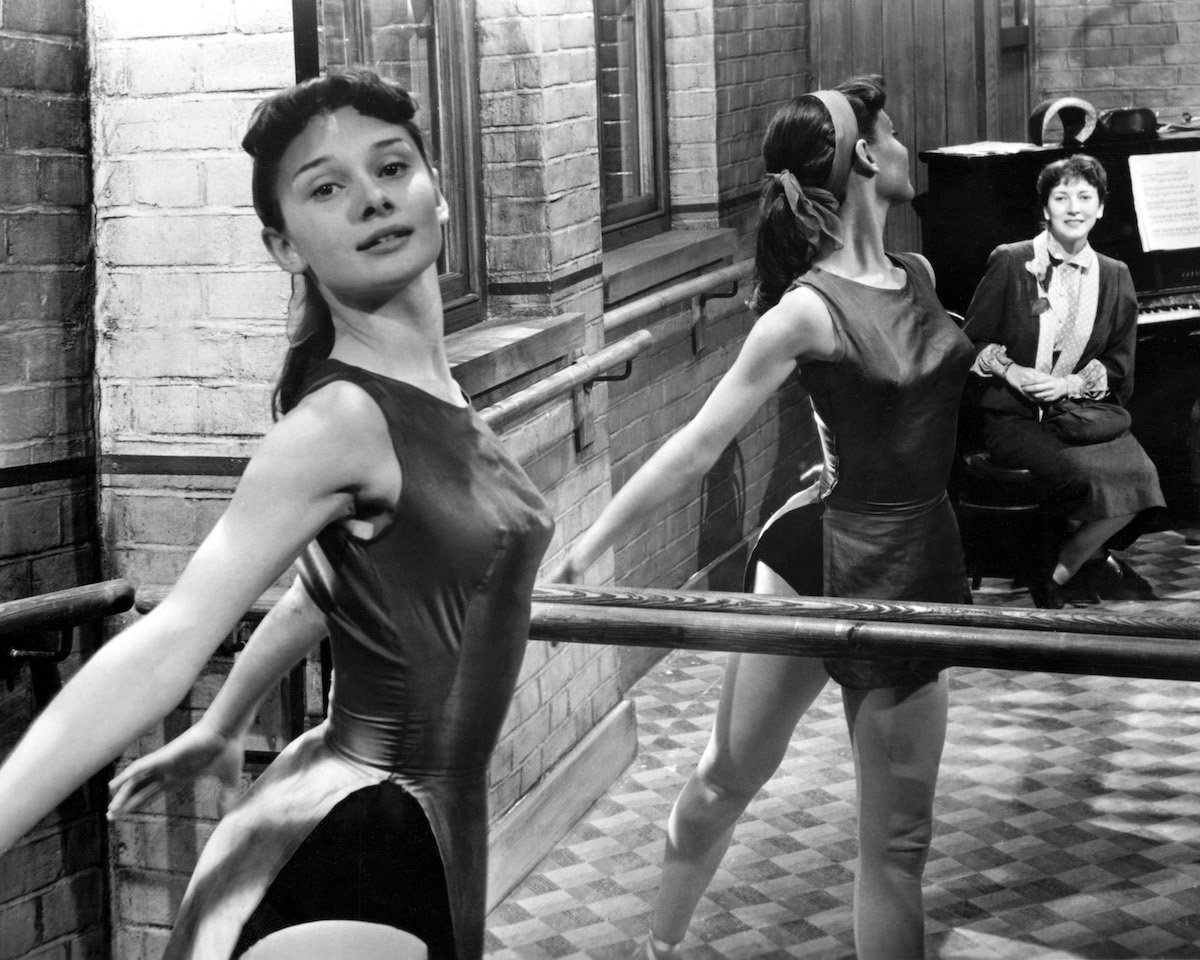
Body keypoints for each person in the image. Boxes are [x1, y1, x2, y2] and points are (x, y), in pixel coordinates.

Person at [0, 69, 554, 960]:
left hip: (417, 810)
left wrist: (227, 724)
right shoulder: (339, 421)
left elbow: (322, 596)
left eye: (392, 168)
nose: (372, 198)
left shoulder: (431, 391)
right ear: (284, 245)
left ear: (439, 191)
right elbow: (172, 634)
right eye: (327, 188)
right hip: (364, 837)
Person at [552, 76, 974, 960]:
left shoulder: (922, 274)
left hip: (921, 559)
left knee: (900, 844)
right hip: (818, 559)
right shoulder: (805, 313)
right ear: (865, 156)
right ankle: (658, 946)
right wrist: (589, 545)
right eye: (890, 130)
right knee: (729, 776)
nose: (904, 142)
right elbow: (695, 446)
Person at [961, 154, 1164, 609]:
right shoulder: (1012, 262)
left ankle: (1064, 566)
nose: (1074, 208)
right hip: (1014, 417)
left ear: (1101, 209)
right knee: (1079, 476)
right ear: (1045, 209)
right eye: (1061, 197)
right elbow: (968, 343)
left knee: (1143, 478)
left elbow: (1119, 364)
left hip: (1077, 413)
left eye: (1085, 197)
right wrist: (1015, 372)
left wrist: (1069, 386)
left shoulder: (1115, 275)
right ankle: (1063, 569)